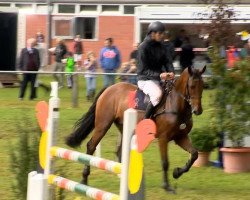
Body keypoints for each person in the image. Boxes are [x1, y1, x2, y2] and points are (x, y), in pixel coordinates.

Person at [137, 21, 175, 119]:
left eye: (163, 33)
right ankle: (145, 122)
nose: (162, 36)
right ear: (152, 33)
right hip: (145, 79)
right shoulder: (143, 47)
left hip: (159, 78)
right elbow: (143, 70)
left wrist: (171, 72)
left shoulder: (162, 46)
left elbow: (167, 62)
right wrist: (159, 75)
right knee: (157, 95)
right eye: (160, 33)